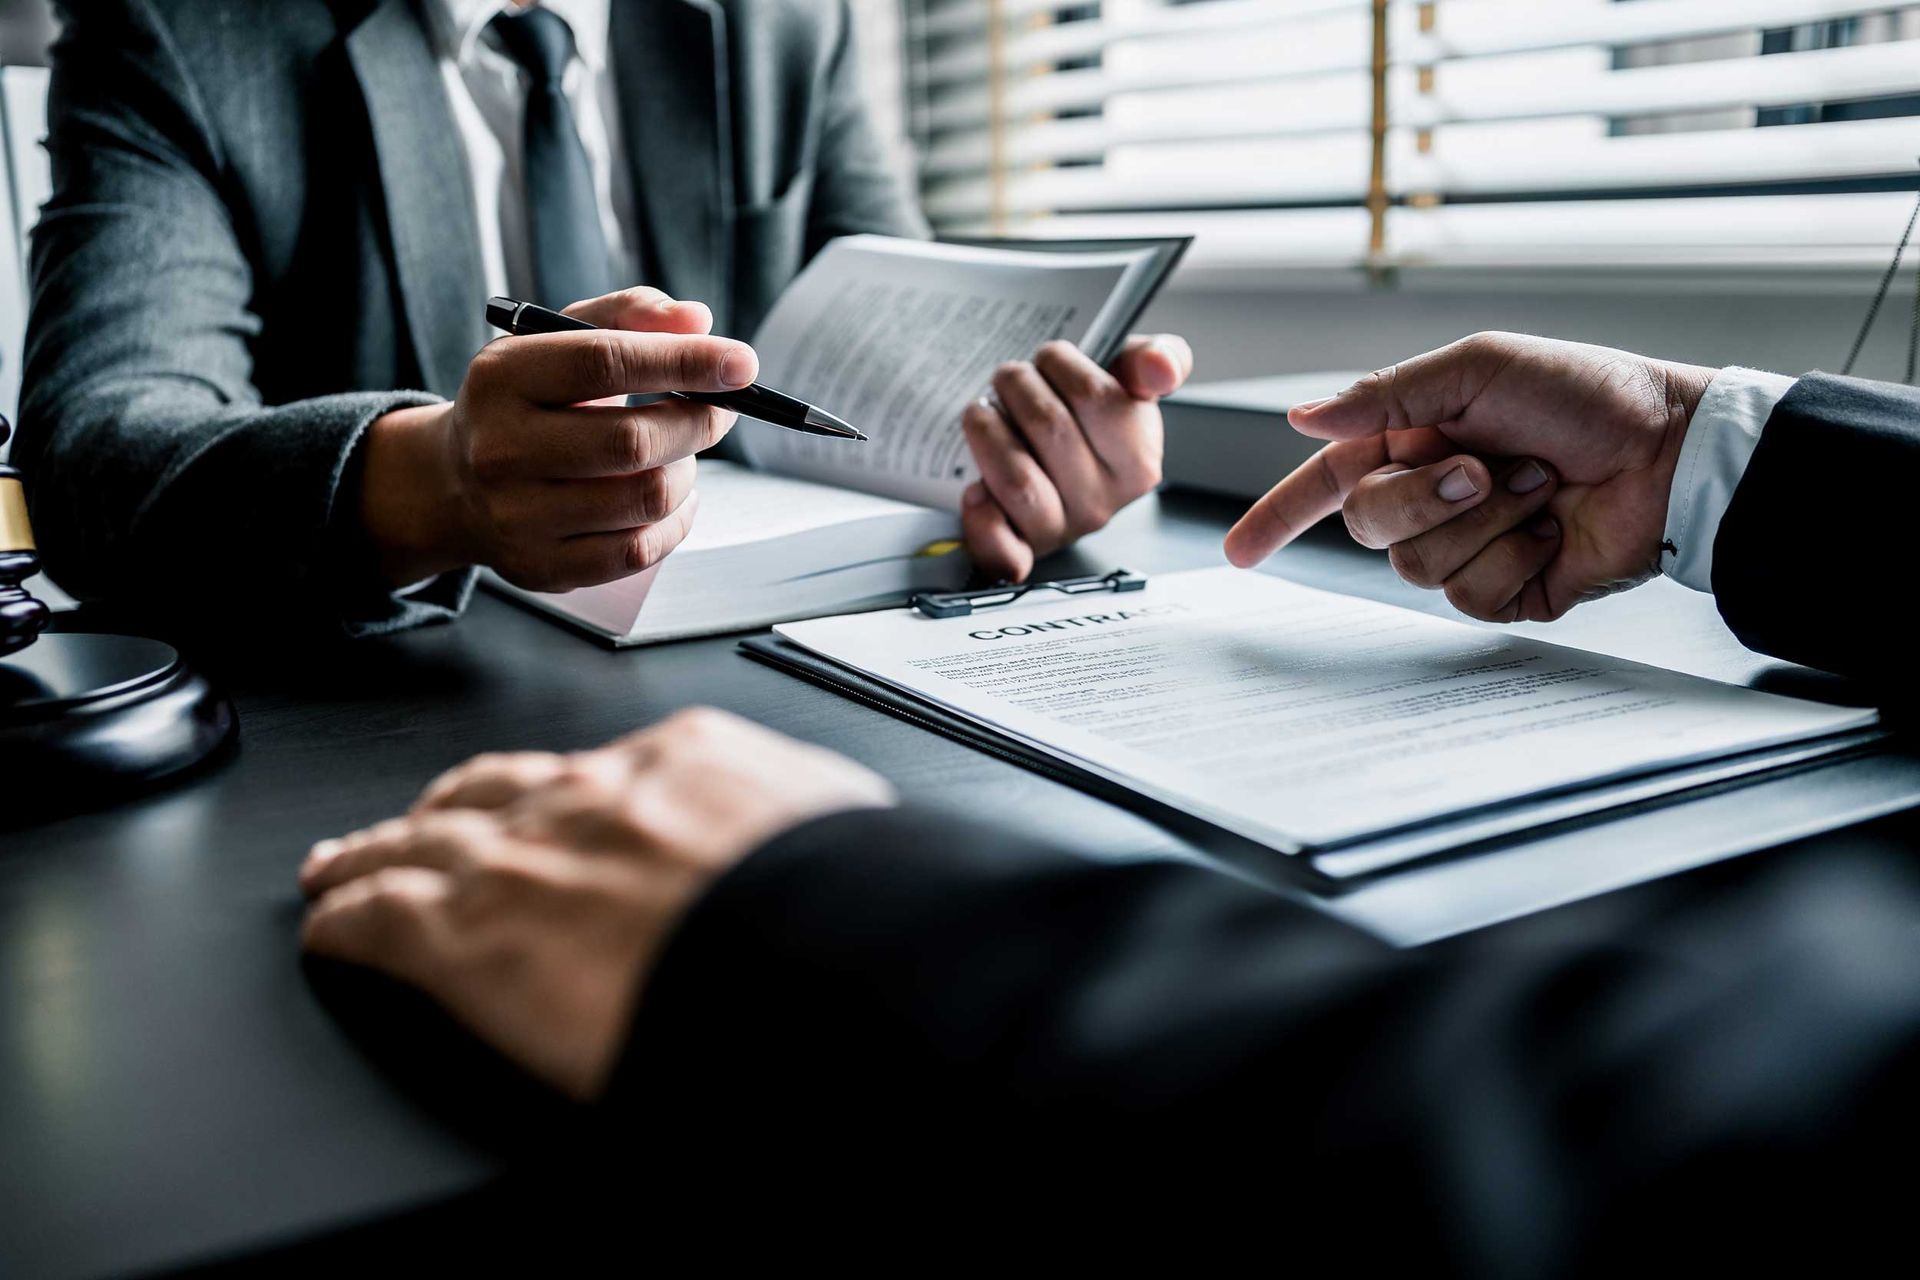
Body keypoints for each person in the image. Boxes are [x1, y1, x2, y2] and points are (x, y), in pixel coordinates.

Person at [298, 334, 1920, 1266]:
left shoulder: (754, 32)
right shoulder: (184, 36)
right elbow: (107, 424)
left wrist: (836, 936)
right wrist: (1702, 455)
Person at [13, 0, 1189, 635]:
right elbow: (91, 451)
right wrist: (437, 481)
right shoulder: (174, 33)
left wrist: (1042, 443)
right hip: (397, 727)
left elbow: (919, 335)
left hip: (784, 663)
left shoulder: (788, 23)